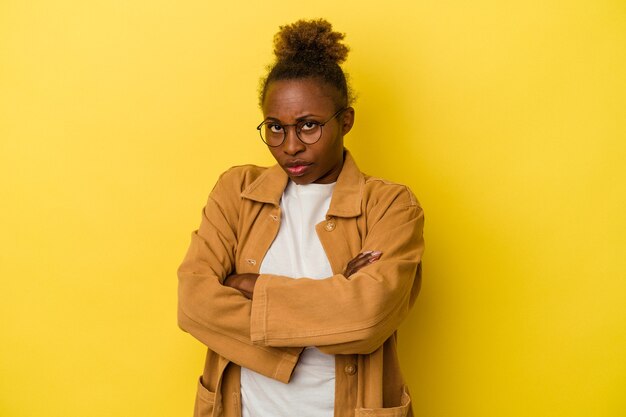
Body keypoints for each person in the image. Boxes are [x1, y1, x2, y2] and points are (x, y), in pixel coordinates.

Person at [177, 18, 425, 417]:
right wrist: (335, 290)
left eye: (309, 126)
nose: (290, 146)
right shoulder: (236, 192)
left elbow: (367, 318)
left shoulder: (391, 205)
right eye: (275, 128)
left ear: (345, 121)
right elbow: (193, 304)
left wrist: (251, 285)